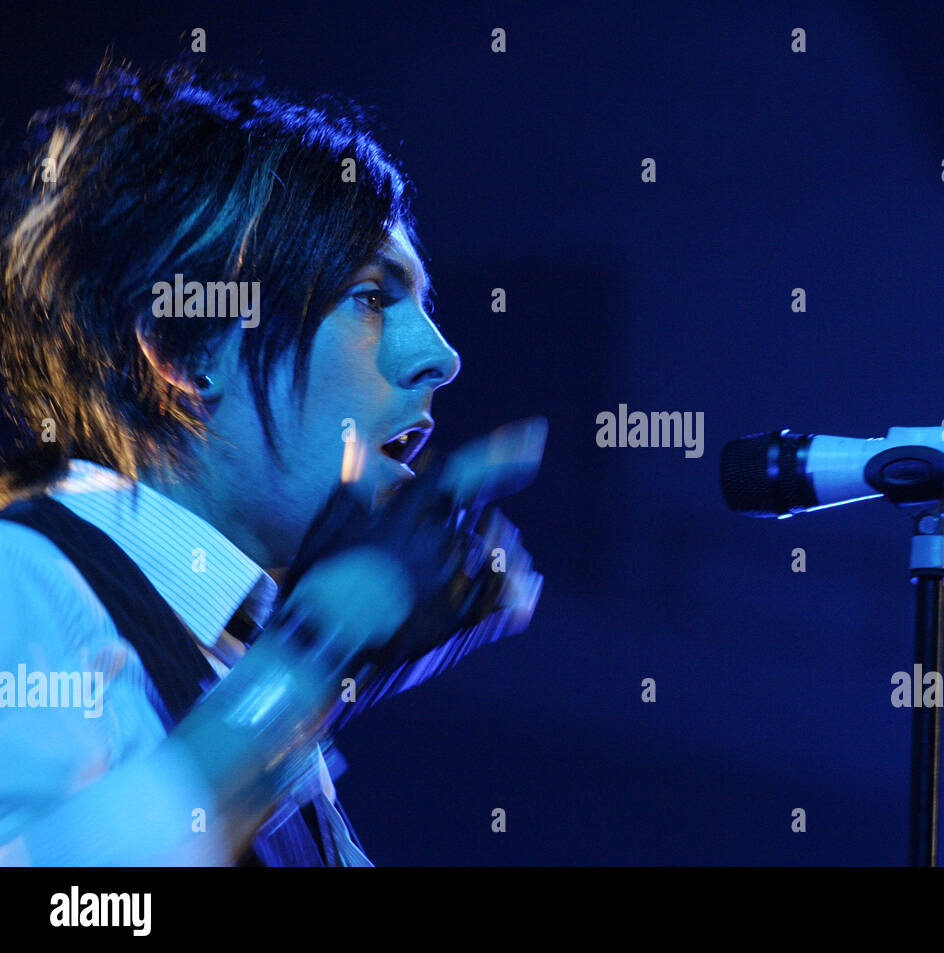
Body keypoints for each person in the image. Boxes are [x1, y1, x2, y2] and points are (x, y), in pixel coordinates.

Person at [0, 56, 543, 865]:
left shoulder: (236, 678)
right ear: (186, 346)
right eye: (371, 296)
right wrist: (321, 653)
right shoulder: (24, 580)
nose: (442, 355)